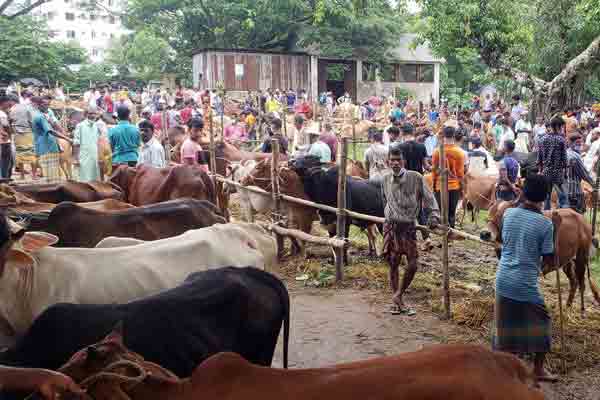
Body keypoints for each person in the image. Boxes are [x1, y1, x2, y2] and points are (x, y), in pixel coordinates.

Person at [492, 173, 557, 383]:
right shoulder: (545, 225)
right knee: (543, 321)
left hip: (502, 279)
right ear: (545, 196)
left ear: (523, 192)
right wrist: (556, 228)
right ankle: (537, 369)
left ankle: (504, 369)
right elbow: (549, 261)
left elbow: (502, 241)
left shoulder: (509, 214)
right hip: (524, 284)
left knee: (505, 325)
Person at [382, 144, 440, 315]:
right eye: (392, 160)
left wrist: (434, 216)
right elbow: (384, 200)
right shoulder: (385, 180)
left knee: (413, 263)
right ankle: (397, 301)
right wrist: (386, 219)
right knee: (393, 263)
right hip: (391, 226)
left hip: (408, 227)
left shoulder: (415, 177)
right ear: (388, 162)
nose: (395, 163)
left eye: (398, 160)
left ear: (404, 161)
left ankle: (398, 295)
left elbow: (430, 199)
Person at [30, 96, 72, 183]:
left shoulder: (47, 113)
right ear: (38, 105)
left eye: (48, 104)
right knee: (49, 174)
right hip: (45, 147)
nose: (47, 106)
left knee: (53, 173)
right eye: (44, 104)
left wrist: (63, 132)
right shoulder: (39, 117)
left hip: (50, 146)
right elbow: (50, 131)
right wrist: (67, 138)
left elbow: (54, 123)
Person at [431, 125, 465, 229]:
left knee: (442, 212)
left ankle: (443, 236)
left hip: (439, 186)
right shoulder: (459, 152)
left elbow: (434, 170)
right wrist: (461, 187)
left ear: (443, 135)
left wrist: (433, 184)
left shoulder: (437, 151)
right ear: (454, 136)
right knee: (451, 213)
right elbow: (460, 173)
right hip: (454, 186)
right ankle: (450, 236)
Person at [537, 116, 568, 210]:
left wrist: (540, 171)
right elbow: (565, 160)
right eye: (562, 127)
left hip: (546, 172)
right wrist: (566, 172)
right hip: (557, 173)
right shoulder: (561, 140)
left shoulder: (542, 139)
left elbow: (539, 159)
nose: (562, 129)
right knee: (563, 196)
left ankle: (547, 214)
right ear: (558, 126)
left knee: (547, 195)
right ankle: (563, 213)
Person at [9, 90, 36, 179]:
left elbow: (10, 122)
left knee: (19, 154)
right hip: (28, 133)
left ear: (12, 101)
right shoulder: (27, 108)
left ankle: (22, 176)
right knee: (31, 153)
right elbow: (32, 121)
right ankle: (34, 175)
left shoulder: (11, 109)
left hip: (17, 134)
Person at [73, 106, 103, 182]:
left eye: (94, 113)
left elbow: (98, 143)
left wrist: (100, 157)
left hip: (94, 157)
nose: (93, 115)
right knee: (84, 179)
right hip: (84, 157)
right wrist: (76, 159)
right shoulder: (80, 126)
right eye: (90, 113)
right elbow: (76, 143)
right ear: (86, 114)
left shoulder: (96, 126)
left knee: (95, 179)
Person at [566, 134, 594, 214]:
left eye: (580, 143)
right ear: (570, 143)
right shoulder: (575, 156)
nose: (579, 145)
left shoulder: (565, 153)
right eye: (577, 142)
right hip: (574, 191)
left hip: (564, 190)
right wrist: (594, 185)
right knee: (578, 216)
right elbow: (584, 174)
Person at [0, 94, 18, 179]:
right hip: (4, 141)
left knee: (6, 162)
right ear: (3, 103)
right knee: (7, 162)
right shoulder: (2, 114)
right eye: (8, 103)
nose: (9, 105)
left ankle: (5, 178)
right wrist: (11, 131)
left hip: (4, 141)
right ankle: (5, 179)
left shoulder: (4, 113)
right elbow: (6, 127)